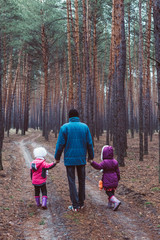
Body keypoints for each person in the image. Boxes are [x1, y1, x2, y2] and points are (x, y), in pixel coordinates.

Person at [54, 109, 94, 212]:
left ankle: (75, 205)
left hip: (70, 159)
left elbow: (60, 145)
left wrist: (57, 157)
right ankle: (81, 203)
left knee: (71, 181)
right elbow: (90, 143)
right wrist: (91, 157)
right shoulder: (85, 127)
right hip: (81, 158)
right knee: (82, 181)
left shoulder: (64, 128)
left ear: (69, 117)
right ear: (78, 116)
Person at [89, 145, 121, 211]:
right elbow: (118, 172)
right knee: (112, 191)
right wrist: (118, 178)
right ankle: (110, 204)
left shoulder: (105, 162)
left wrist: (92, 162)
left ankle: (116, 201)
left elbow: (98, 167)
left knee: (108, 192)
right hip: (114, 179)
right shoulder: (115, 161)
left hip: (107, 179)